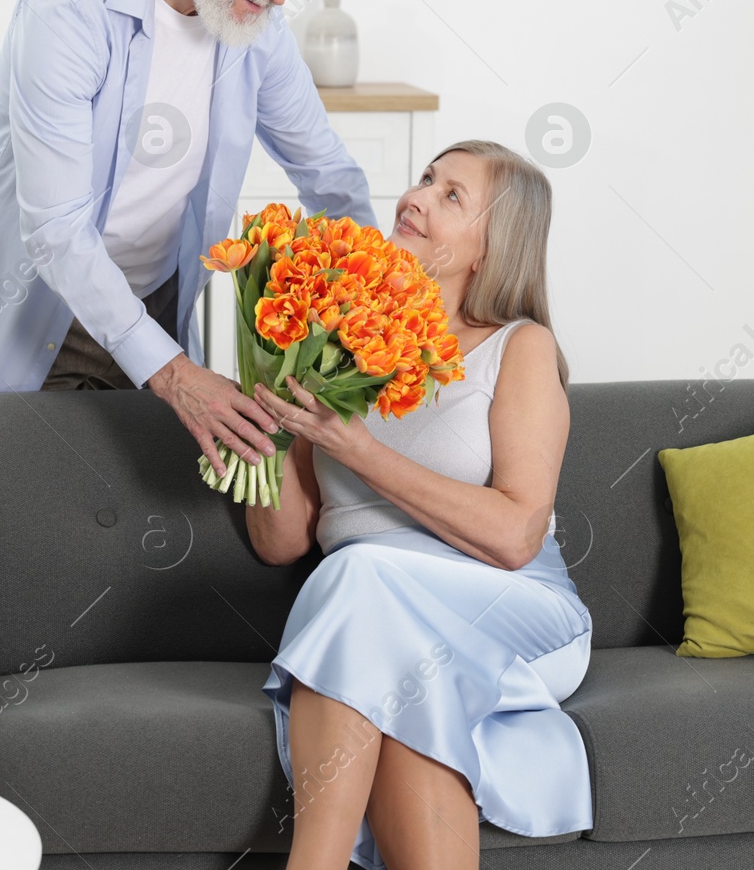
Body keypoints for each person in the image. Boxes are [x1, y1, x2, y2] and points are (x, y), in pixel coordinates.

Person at [0, 0, 378, 482]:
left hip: (155, 307)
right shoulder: (70, 7)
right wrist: (172, 374)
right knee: (20, 516)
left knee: (134, 523)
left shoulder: (255, 30)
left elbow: (330, 178)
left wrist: (375, 302)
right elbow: (57, 231)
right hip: (42, 312)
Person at [250, 141, 591, 870]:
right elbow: (281, 541)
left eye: (451, 197)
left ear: (490, 247)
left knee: (359, 577)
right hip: (387, 625)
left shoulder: (517, 347)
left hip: (516, 609)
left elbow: (515, 534)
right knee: (397, 674)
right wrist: (273, 410)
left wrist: (359, 450)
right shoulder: (337, 342)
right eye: (427, 179)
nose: (418, 196)